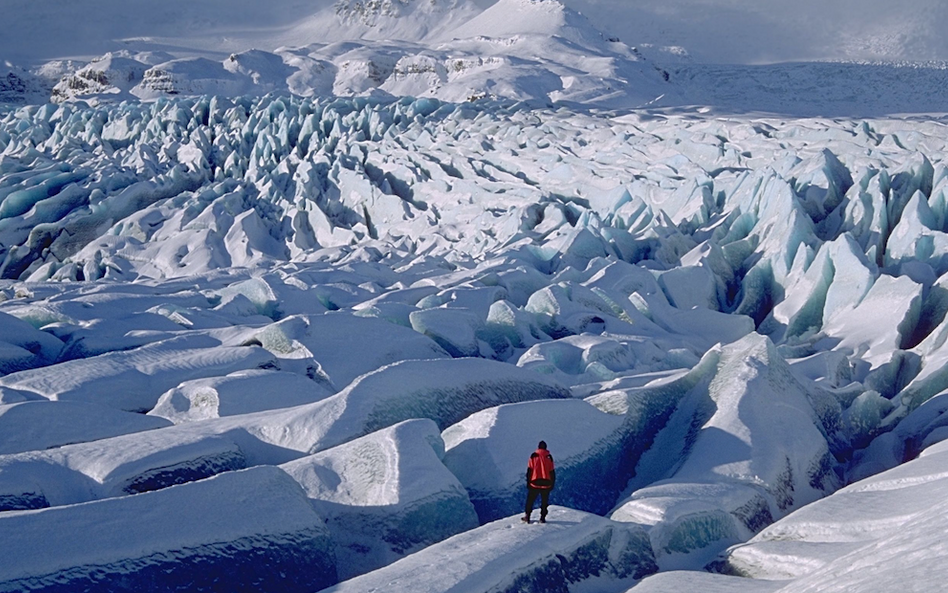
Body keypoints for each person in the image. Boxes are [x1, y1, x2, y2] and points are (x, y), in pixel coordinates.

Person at [522, 440, 555, 524]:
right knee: (544, 501)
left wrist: (528, 482)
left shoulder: (533, 456)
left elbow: (529, 470)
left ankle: (527, 516)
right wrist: (552, 483)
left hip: (534, 482)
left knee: (530, 500)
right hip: (546, 483)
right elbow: (552, 472)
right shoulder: (549, 457)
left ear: (538, 447)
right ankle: (542, 518)